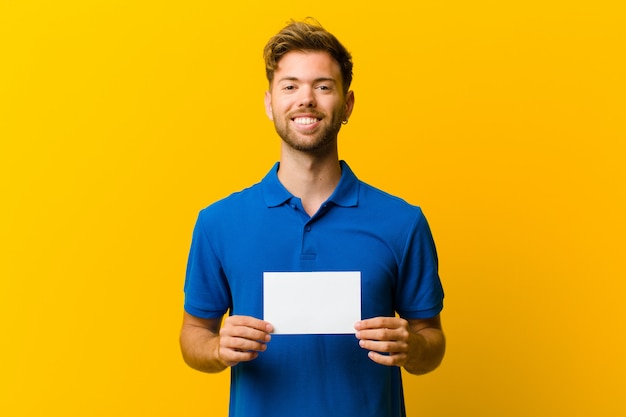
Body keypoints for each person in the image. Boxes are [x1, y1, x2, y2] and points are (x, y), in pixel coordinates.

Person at [180, 19, 445, 417]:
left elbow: (431, 341)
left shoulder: (402, 222)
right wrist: (216, 349)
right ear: (270, 104)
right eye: (290, 86)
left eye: (322, 86)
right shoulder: (218, 222)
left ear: (347, 104)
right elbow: (192, 335)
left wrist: (414, 346)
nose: (306, 99)